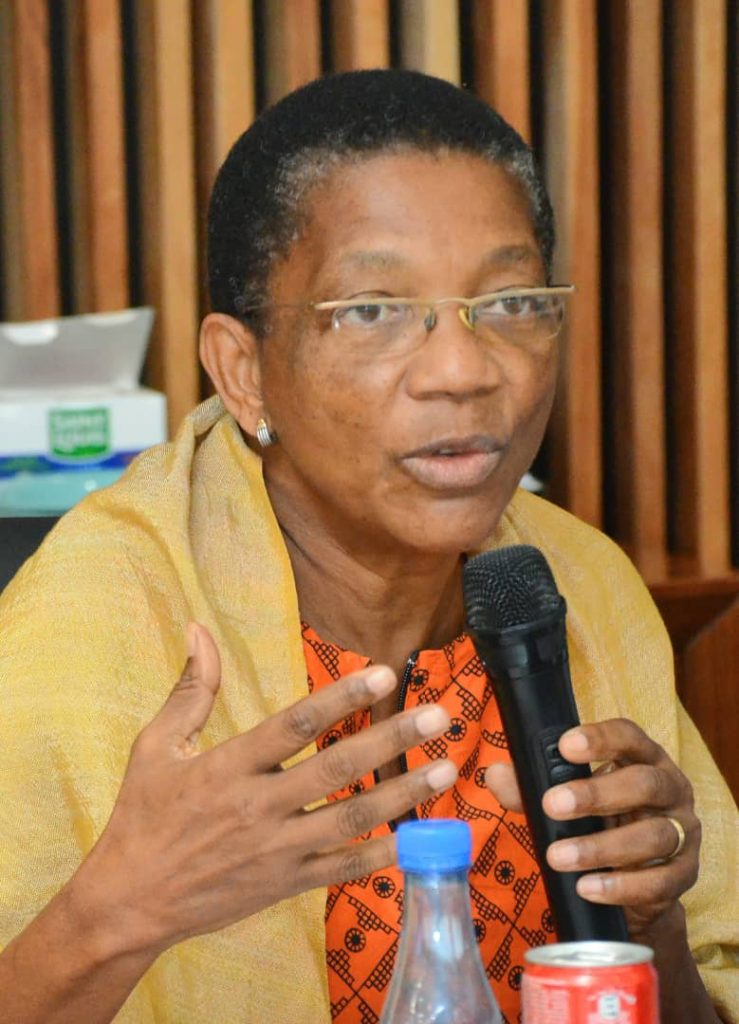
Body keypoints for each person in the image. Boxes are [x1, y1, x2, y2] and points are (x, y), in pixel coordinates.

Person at [0, 70, 735, 1024]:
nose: (462, 371)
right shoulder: (98, 614)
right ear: (242, 371)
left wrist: (650, 926)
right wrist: (115, 916)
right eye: (371, 310)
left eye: (511, 301)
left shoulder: (577, 580)